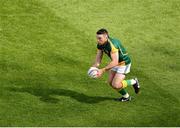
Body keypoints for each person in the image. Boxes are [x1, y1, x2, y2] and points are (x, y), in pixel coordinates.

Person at [92, 28, 140, 102]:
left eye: (99, 38)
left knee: (116, 84)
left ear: (106, 36)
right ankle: (126, 97)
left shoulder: (112, 45)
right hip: (116, 62)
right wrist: (94, 68)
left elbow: (115, 62)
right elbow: (98, 58)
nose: (98, 40)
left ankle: (133, 81)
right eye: (97, 38)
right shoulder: (100, 44)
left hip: (124, 63)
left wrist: (102, 70)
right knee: (110, 82)